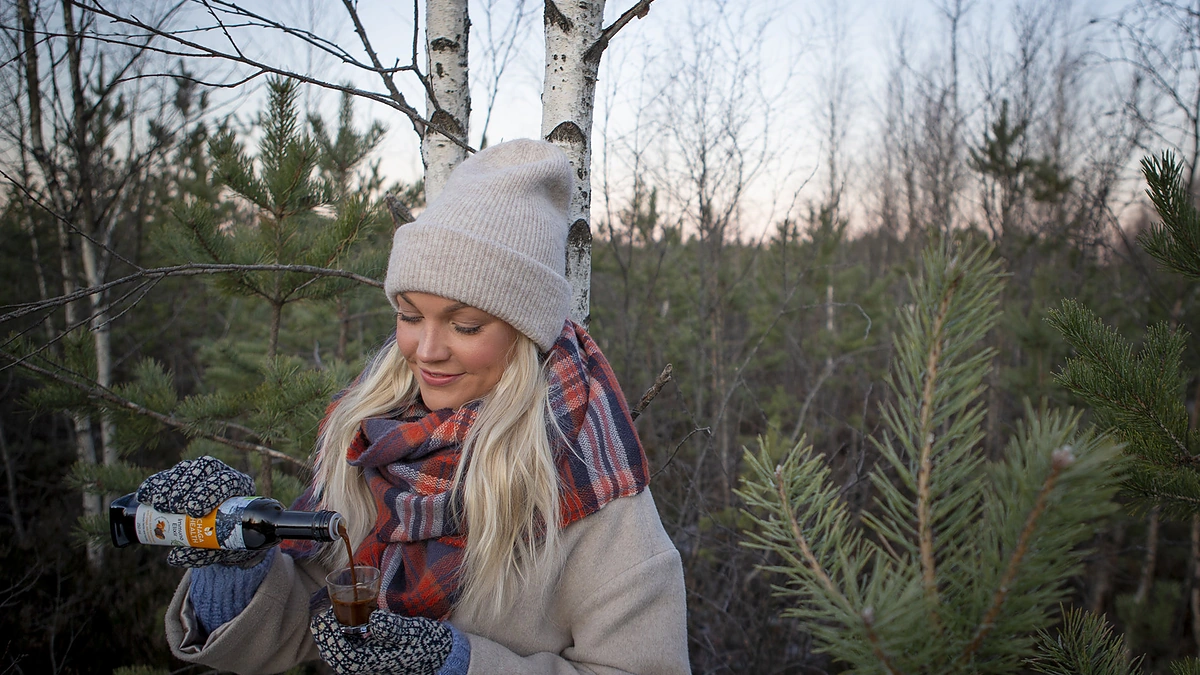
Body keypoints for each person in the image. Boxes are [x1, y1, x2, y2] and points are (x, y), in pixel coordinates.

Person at [140, 139, 691, 675]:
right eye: (409, 315)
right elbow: (297, 631)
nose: (426, 352)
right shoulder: (373, 440)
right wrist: (231, 565)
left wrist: (454, 663)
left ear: (526, 334)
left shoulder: (590, 483)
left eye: (465, 325)